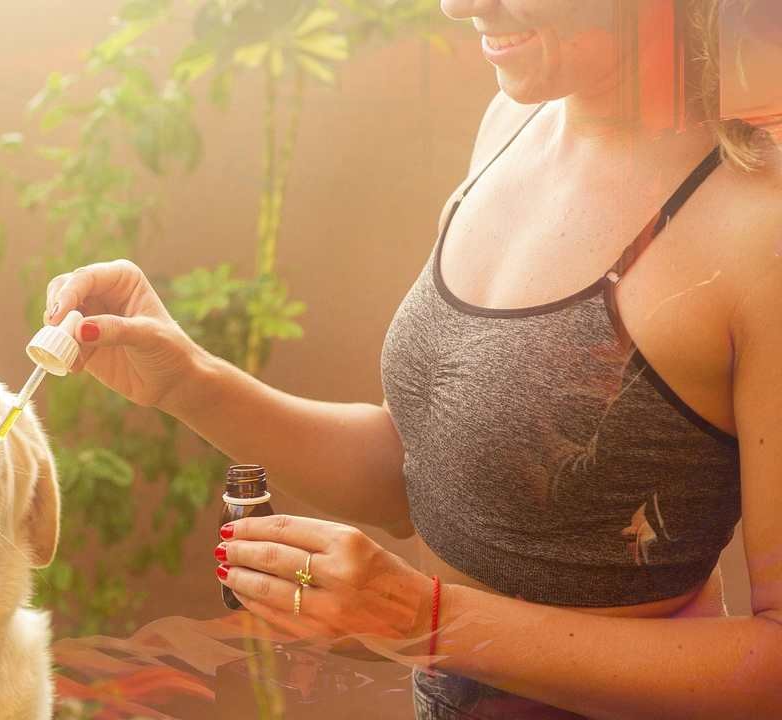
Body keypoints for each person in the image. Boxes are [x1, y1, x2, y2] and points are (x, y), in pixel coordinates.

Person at [42, 1, 782, 717]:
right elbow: (425, 474)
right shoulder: (515, 122)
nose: (460, 6)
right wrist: (188, 382)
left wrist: (426, 621)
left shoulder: (758, 226)